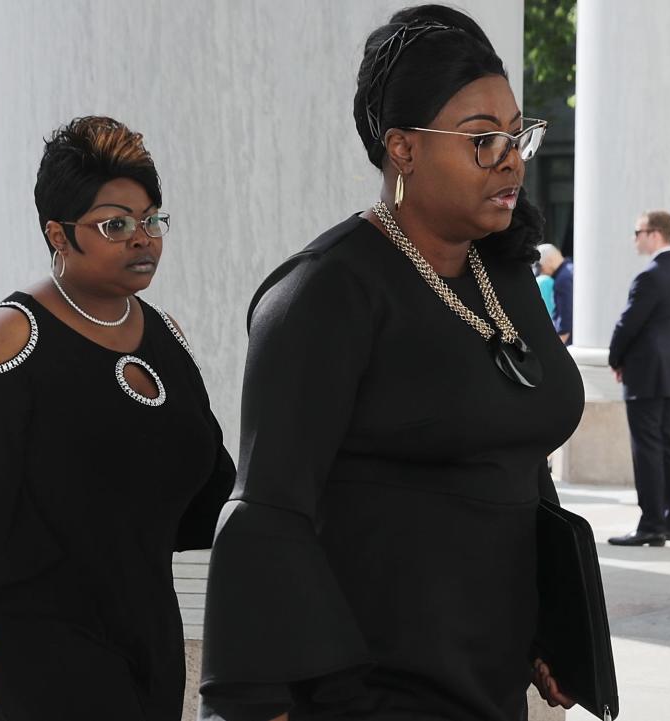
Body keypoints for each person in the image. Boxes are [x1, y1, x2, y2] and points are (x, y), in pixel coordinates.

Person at [198, 6, 584, 721]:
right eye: (480, 140)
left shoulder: (503, 275)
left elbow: (515, 456)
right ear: (401, 149)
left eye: (515, 134)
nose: (510, 158)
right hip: (367, 692)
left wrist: (553, 624)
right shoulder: (325, 293)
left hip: (491, 683)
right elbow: (267, 516)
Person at [0, 116, 235, 721]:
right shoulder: (7, 339)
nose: (142, 238)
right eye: (115, 224)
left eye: (151, 220)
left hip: (150, 633)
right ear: (59, 235)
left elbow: (210, 485)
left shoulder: (166, 336)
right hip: (41, 640)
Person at [607, 210, 670, 546]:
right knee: (667, 444)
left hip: (646, 370)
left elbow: (628, 324)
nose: (634, 238)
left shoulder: (651, 276)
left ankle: (651, 524)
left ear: (655, 234)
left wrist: (615, 358)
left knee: (647, 448)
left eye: (637, 231)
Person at [537, 243, 573, 344]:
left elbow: (565, 315)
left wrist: (559, 345)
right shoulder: (570, 270)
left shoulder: (562, 280)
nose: (542, 271)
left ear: (549, 261)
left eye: (541, 266)